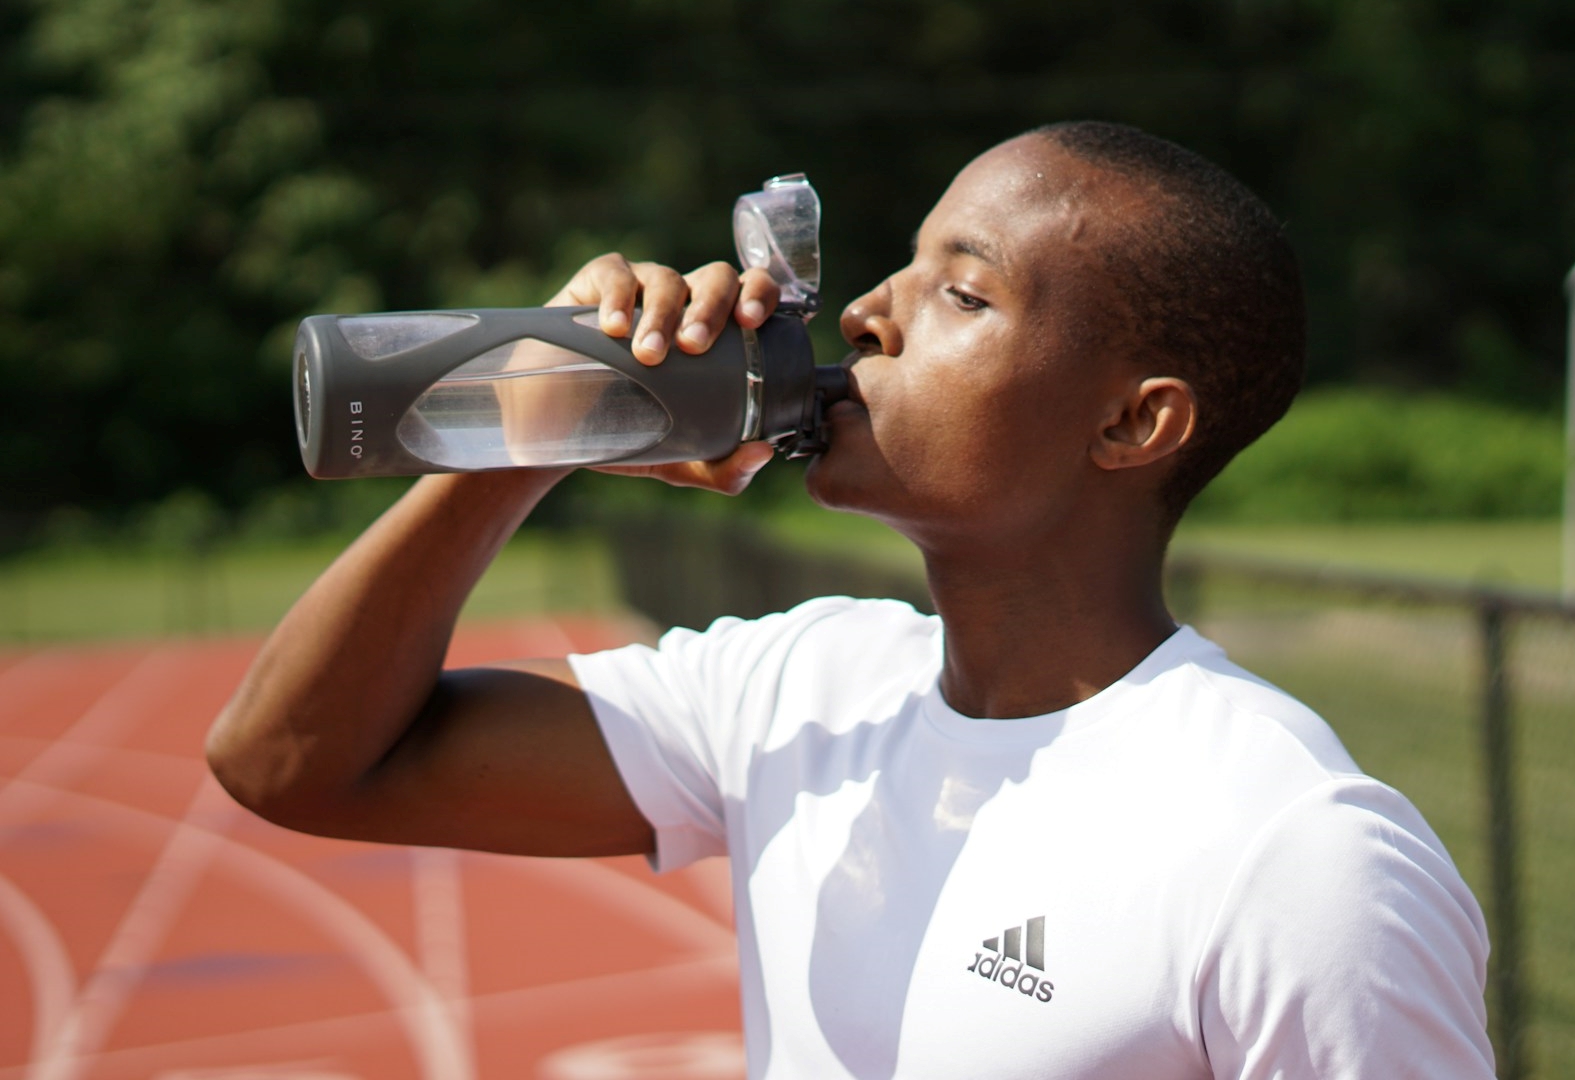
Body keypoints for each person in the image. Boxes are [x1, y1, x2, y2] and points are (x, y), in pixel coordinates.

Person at [209, 121, 1496, 1079]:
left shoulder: (1295, 853)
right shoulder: (802, 687)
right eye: (900, 269)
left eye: (963, 292)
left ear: (1131, 421)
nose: (870, 315)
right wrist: (539, 418)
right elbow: (295, 760)